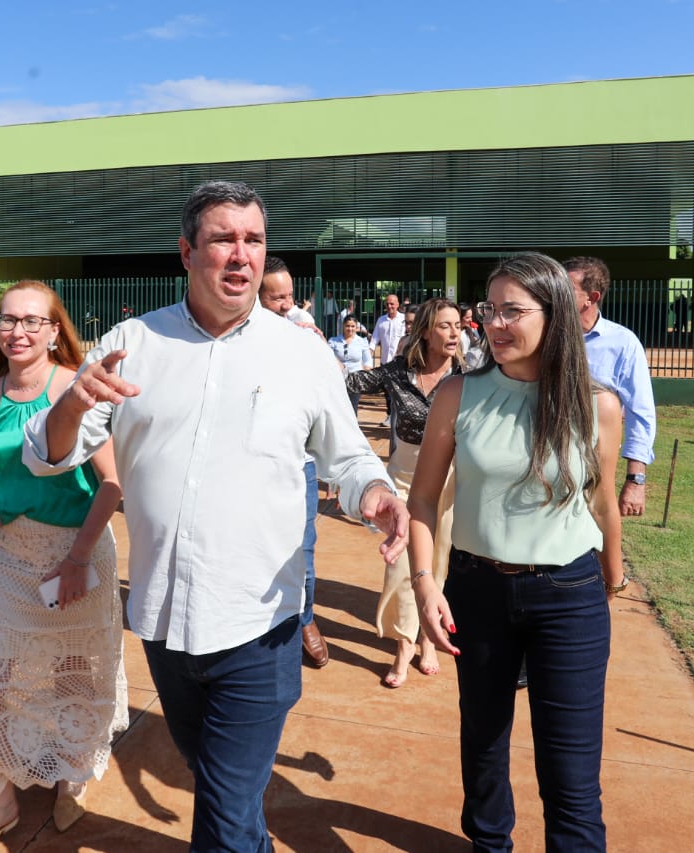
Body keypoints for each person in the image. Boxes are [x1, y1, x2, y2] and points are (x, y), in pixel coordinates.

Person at [22, 180, 409, 852]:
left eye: (253, 239)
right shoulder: (132, 342)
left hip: (260, 625)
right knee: (225, 790)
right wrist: (72, 403)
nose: (241, 255)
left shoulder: (302, 354)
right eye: (223, 239)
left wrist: (373, 494)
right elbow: (45, 455)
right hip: (166, 622)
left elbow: (349, 459)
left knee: (224, 817)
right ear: (186, 251)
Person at [410, 252, 626, 850]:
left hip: (570, 597)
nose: (495, 324)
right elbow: (424, 500)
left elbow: (603, 504)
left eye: (513, 311)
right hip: (476, 592)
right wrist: (426, 582)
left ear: (554, 315)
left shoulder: (597, 403)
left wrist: (614, 579)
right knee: (483, 747)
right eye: (490, 310)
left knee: (571, 774)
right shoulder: (459, 394)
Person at [0, 280, 128, 852]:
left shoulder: (78, 391)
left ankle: (71, 782)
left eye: (32, 321)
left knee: (75, 674)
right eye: (7, 321)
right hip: (6, 558)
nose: (18, 332)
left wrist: (77, 560)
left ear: (55, 331)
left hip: (76, 553)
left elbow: (112, 484)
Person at [346, 298, 463, 688]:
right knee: (399, 566)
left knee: (439, 563)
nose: (454, 332)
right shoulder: (398, 372)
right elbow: (350, 383)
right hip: (404, 482)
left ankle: (428, 639)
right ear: (426, 331)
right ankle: (403, 645)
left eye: (458, 326)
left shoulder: (467, 377)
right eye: (445, 326)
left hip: (449, 483)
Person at [260, 255, 331, 669]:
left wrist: (314, 348)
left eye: (289, 296)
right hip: (250, 464)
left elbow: (330, 389)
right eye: (276, 298)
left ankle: (305, 620)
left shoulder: (302, 329)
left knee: (302, 549)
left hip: (298, 462)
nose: (287, 305)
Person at [564, 257, 656, 518]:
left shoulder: (623, 344)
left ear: (591, 297)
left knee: (594, 540)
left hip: (594, 469)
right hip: (538, 460)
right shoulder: (542, 335)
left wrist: (635, 481)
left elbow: (640, 412)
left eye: (565, 288)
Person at [370, 293, 406, 429]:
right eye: (387, 304)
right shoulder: (381, 320)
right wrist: (369, 355)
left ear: (397, 304)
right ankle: (390, 415)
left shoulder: (403, 320)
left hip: (401, 362)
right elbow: (374, 340)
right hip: (385, 362)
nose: (390, 306)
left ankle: (400, 416)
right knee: (387, 390)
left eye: (392, 303)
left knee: (401, 391)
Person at [330, 315, 373, 414]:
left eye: (353, 326)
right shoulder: (333, 341)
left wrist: (366, 371)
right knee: (337, 406)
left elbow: (367, 361)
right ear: (343, 326)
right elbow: (328, 358)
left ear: (356, 327)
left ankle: (352, 428)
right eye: (347, 326)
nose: (350, 329)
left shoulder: (362, 342)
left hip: (355, 379)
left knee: (353, 406)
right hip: (338, 378)